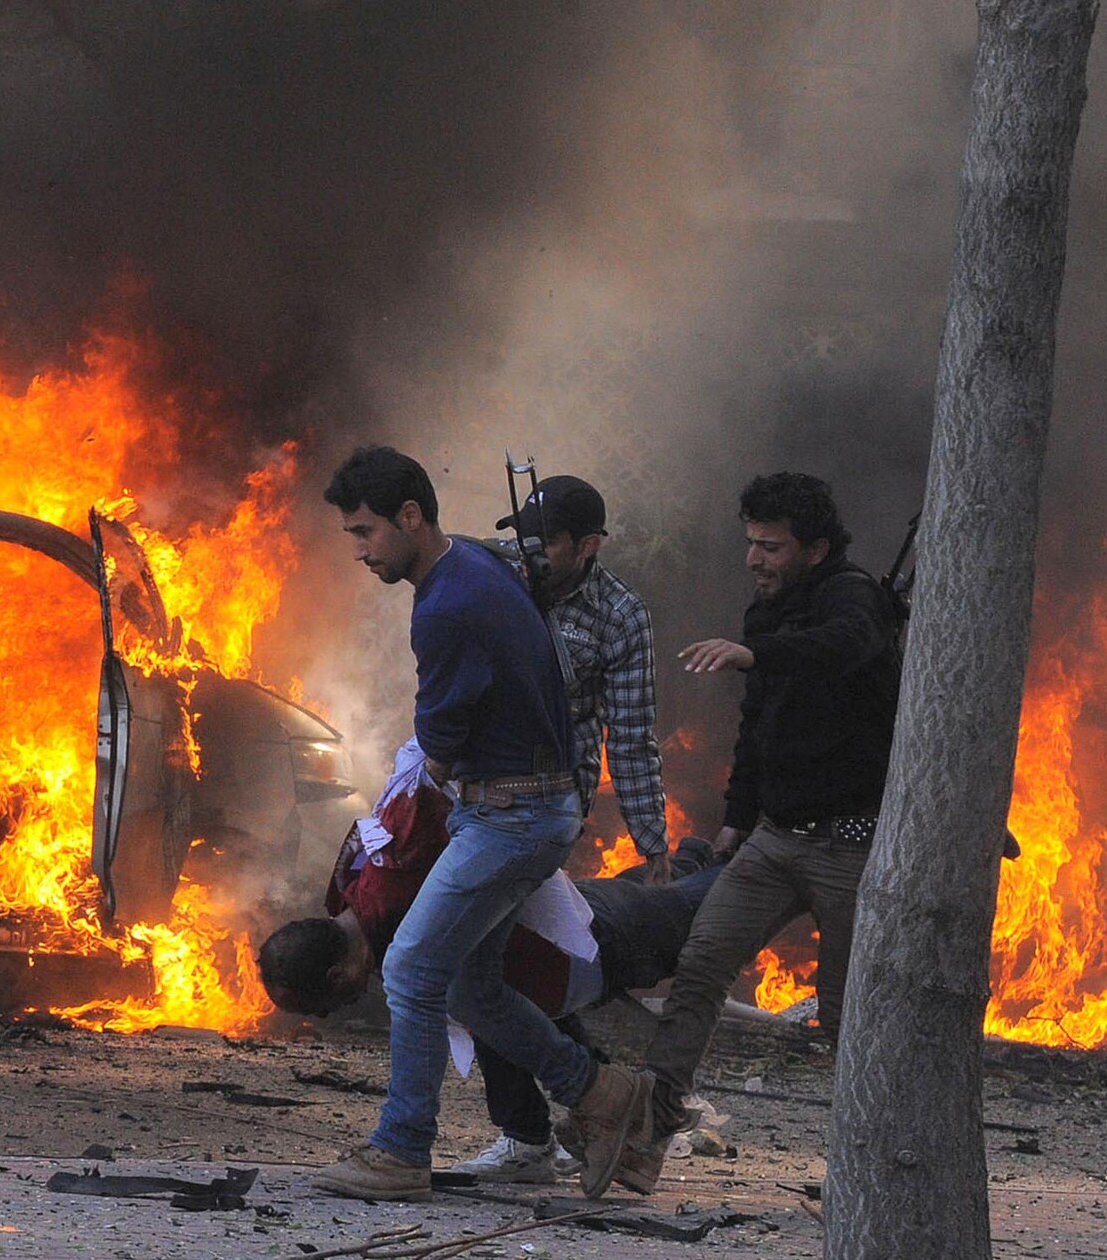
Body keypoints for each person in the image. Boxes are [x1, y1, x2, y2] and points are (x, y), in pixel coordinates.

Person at [317, 445, 652, 1203]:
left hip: (512, 816)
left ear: (411, 517)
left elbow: (440, 742)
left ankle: (401, 1152)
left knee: (407, 967)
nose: (362, 551)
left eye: (366, 532)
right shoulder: (471, 565)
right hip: (525, 806)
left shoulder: (448, 605)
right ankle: (604, 1096)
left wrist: (411, 784)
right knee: (471, 986)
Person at [257, 737, 722, 1185]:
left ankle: (758, 862)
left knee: (708, 905)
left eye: (322, 1005)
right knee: (479, 992)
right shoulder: (356, 890)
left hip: (591, 943)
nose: (329, 1014)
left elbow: (425, 794)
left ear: (336, 975)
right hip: (570, 931)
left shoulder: (398, 913)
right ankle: (529, 1139)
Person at [621, 471, 901, 1192]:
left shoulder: (854, 597)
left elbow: (843, 646)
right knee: (701, 966)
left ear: (814, 549)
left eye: (771, 546)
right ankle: (644, 1138)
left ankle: (876, 1180)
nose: (755, 559)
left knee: (847, 1017)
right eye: (751, 543)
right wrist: (735, 821)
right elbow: (759, 728)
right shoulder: (766, 614)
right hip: (775, 840)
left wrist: (756, 654)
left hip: (853, 843)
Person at [495, 475, 672, 883]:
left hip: (554, 791)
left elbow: (631, 737)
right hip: (481, 781)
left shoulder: (620, 614)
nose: (528, 553)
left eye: (547, 541)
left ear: (587, 546)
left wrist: (652, 844)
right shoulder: (494, 575)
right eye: (525, 537)